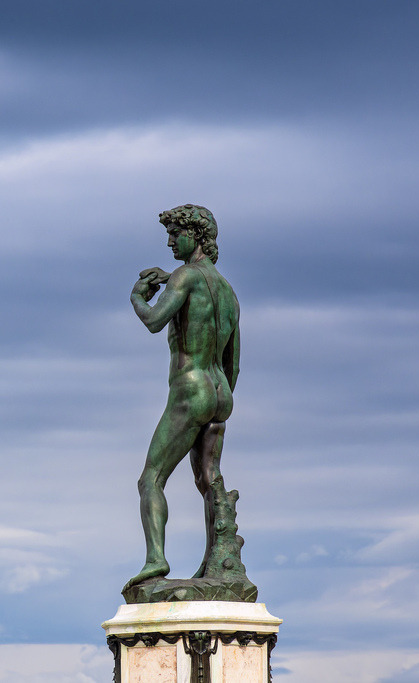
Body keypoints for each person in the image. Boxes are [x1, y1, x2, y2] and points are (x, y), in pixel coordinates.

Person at [124, 204, 241, 590]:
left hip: (190, 389)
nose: (171, 241)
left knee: (151, 478)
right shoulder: (228, 291)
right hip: (220, 392)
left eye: (176, 234)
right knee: (209, 481)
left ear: (197, 236)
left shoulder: (185, 277)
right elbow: (234, 363)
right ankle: (217, 563)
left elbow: (155, 320)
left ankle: (155, 559)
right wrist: (217, 399)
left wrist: (137, 297)